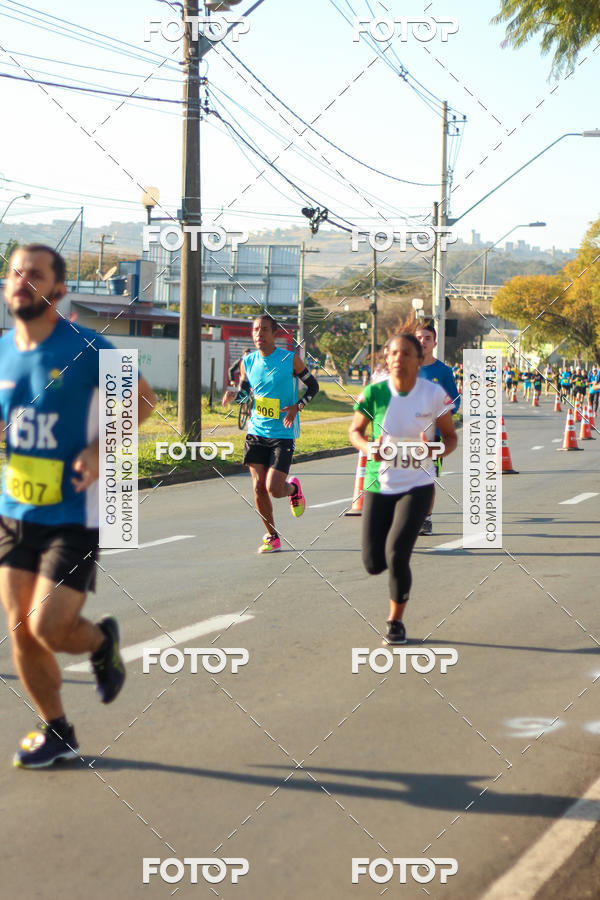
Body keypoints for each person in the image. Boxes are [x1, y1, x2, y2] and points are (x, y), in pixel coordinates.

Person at [0, 244, 156, 768]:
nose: (22, 281)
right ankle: (57, 730)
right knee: (20, 626)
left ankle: (99, 643)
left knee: (48, 627)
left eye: (35, 274)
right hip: (15, 510)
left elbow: (144, 399)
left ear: (59, 290)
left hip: (76, 513)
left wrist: (97, 448)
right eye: (15, 273)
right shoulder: (1, 351)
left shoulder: (86, 346)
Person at [349, 333, 457, 645]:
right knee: (373, 563)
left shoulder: (433, 394)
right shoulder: (374, 393)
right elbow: (355, 431)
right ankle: (387, 568)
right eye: (393, 353)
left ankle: (395, 622)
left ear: (419, 359)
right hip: (380, 482)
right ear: (387, 357)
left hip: (417, 484)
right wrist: (368, 447)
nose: (398, 359)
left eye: (406, 353)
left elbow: (451, 438)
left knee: (397, 554)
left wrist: (434, 449)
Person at [222, 314, 319, 553]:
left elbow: (313, 386)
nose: (259, 334)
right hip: (256, 431)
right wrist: (234, 395)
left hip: (282, 433)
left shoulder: (290, 359)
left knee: (274, 489)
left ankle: (292, 489)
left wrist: (298, 406)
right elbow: (246, 394)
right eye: (256, 330)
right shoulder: (247, 361)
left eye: (264, 329)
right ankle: (272, 536)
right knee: (258, 487)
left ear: (274, 333)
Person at [414, 321, 460, 536]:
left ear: (434, 343)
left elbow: (454, 402)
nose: (422, 342)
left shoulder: (443, 371)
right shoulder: (405, 367)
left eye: (427, 338)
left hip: (433, 437)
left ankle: (426, 519)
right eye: (419, 338)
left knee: (426, 479)